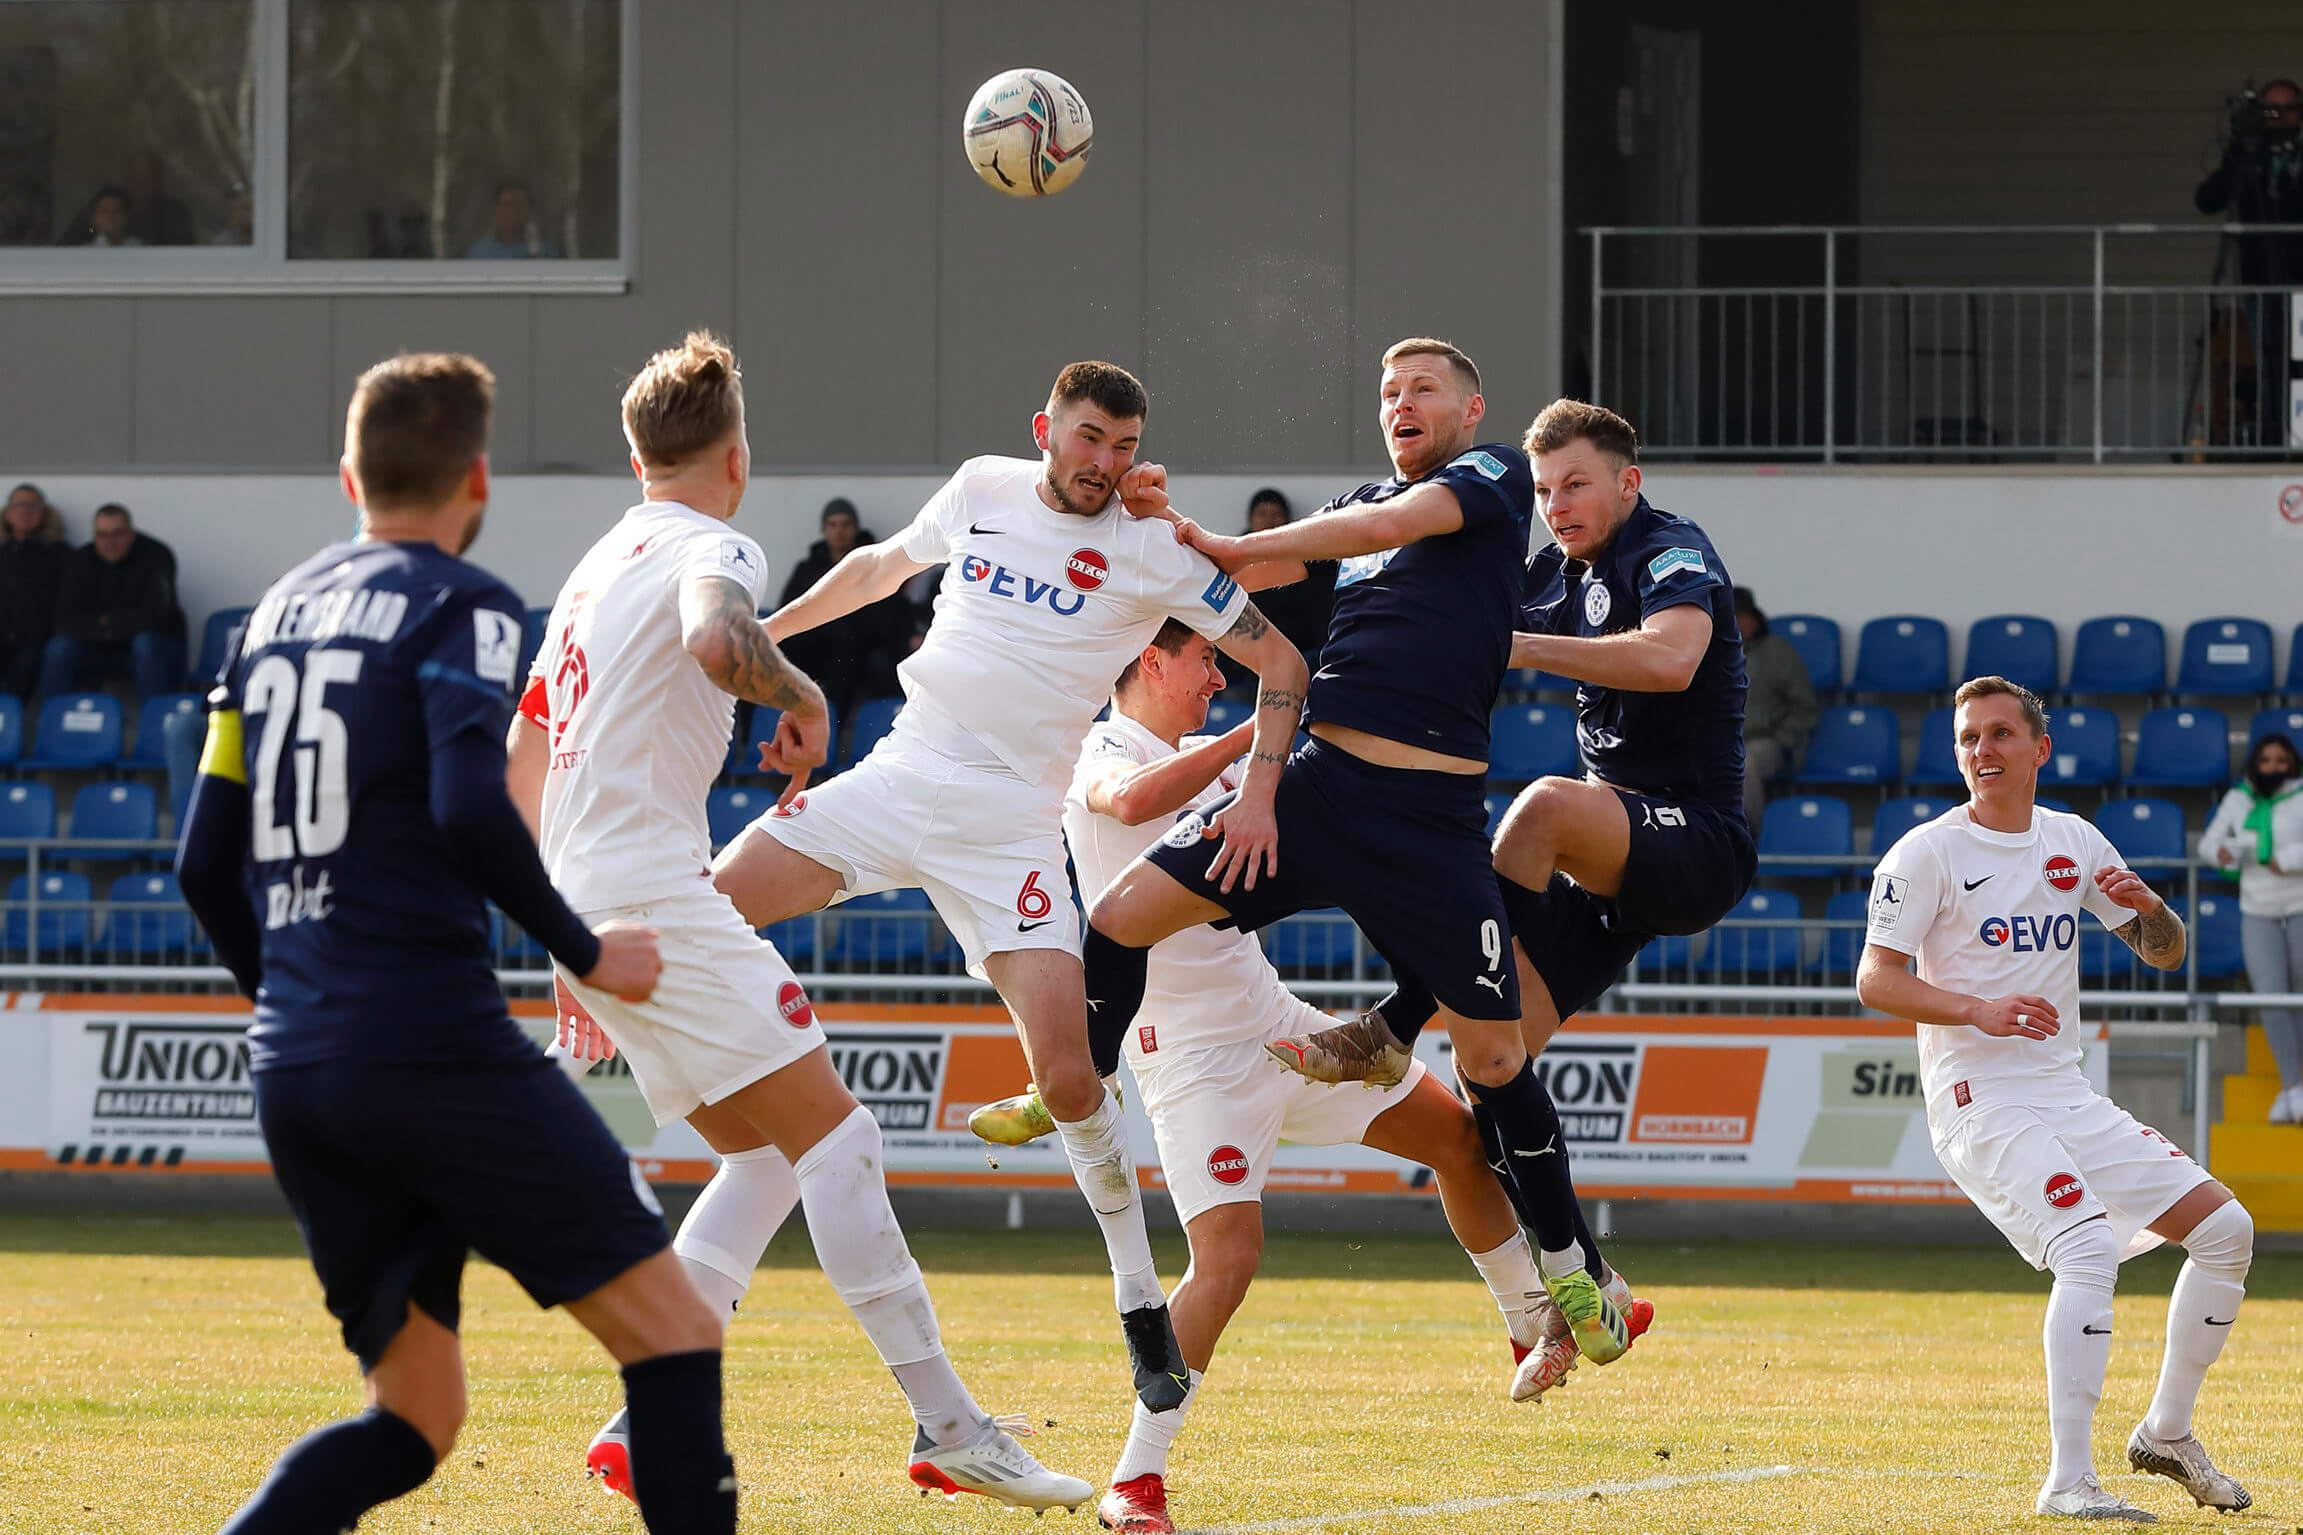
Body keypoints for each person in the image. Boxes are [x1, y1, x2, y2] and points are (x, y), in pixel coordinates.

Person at [508, 332, 1089, 1510]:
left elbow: (523, 754)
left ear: (634, 457)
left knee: (772, 1149)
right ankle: (948, 1425)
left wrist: (559, 940)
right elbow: (722, 637)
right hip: (654, 896)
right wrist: (808, 692)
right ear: (737, 455)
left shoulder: (590, 567)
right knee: (841, 1140)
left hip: (587, 894)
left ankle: (646, 1414)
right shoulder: (711, 543)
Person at [173, 351, 743, 1535]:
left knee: (414, 1417)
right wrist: (587, 950)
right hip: (429, 1048)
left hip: (302, 1068)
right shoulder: (461, 602)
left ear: (349, 475)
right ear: (476, 479)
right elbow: (469, 809)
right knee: (675, 1333)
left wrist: (290, 1008)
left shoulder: (266, 620)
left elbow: (200, 861)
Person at [706, 360, 1309, 1414]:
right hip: (899, 775)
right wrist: (764, 640)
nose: (1103, 464)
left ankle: (1137, 1307)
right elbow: (876, 571)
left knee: (1071, 1083)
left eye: (1122, 447)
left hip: (1012, 829)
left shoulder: (1156, 550)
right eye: (1087, 439)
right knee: (704, 903)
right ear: (1046, 428)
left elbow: (1285, 664)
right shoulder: (982, 486)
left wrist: (1258, 790)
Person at [1077, 340, 1645, 1369]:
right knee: (1116, 914)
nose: (1400, 403)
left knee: (1491, 1057)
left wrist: (1226, 539)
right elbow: (1290, 561)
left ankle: (1571, 1268)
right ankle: (1075, 1091)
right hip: (1320, 791)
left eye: (1421, 388)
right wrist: (1161, 529)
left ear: (1471, 407)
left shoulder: (1488, 478)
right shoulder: (1356, 501)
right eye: (1388, 391)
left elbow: (1380, 525)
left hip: (1429, 825)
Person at [1860, 675, 2254, 1522]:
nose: (1981, 751)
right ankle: (2067, 1480)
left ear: (2039, 749)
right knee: (2085, 1247)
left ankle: (2165, 1433)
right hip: (1977, 1097)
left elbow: (2162, 953)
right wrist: (1976, 1009)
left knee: (2225, 1230)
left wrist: (2152, 907)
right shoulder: (1926, 852)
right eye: (1968, 737)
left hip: (2063, 1092)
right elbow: (1874, 980)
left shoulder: (2072, 839)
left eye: (2000, 735)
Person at [2195, 79, 2303, 452]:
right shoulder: (2248, 153)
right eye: (2272, 110)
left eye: (2289, 109)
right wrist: (2242, 153)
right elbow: (2208, 199)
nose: (2281, 118)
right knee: (2270, 363)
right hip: (2261, 279)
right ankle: (2276, 440)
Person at [2200, 732, 2303, 1122]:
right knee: (2272, 999)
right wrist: (2222, 852)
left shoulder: (2300, 795)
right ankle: (2291, 1086)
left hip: (2299, 906)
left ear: (2291, 764)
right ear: (2255, 764)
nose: (2273, 767)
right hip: (2257, 909)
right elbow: (2209, 844)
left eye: (2281, 761)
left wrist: (2289, 857)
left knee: (2299, 997)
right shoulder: (2239, 798)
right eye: (2266, 761)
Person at [774, 497, 910, 713]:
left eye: (846, 524)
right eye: (833, 525)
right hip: (815, 642)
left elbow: (889, 614)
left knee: (847, 663)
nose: (839, 531)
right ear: (824, 529)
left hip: (858, 646)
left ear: (855, 528)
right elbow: (788, 608)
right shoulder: (808, 568)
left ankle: (838, 727)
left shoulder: (873, 563)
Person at [41, 502, 187, 700]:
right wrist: (119, 624)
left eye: (117, 534)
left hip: (148, 649)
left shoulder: (156, 555)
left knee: (145, 644)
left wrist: (102, 623)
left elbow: (160, 618)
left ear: (131, 534)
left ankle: (154, 721)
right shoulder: (80, 560)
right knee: (58, 648)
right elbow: (63, 620)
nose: (110, 542)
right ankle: (55, 720)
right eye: (102, 535)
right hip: (95, 649)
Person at [1735, 586, 1816, 826]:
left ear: (1754, 619)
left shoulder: (1778, 652)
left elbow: (1805, 705)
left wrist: (1784, 739)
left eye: (1742, 617)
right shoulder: (1709, 652)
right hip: (1716, 740)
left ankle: (1746, 832)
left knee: (1743, 763)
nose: (1738, 623)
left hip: (1763, 740)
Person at [1238, 488, 1334, 674]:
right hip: (1247, 661)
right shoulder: (1233, 564)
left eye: (1275, 514)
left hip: (1301, 657)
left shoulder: (1311, 564)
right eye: (1262, 514)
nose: (1269, 521)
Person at [0, 483, 68, 699]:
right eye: (18, 505)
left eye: (32, 506)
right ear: (7, 513)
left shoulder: (61, 555)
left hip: (36, 638)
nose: (24, 511)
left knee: (20, 677)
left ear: (44, 514)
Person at [463, 179, 558, 259]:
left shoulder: (545, 252)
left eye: (521, 205)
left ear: (530, 210)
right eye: (508, 204)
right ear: (496, 210)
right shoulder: (479, 253)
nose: (514, 211)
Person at [59, 185, 140, 246]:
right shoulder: (82, 253)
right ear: (94, 218)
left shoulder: (140, 248)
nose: (110, 217)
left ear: (127, 217)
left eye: (117, 211)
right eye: (104, 211)